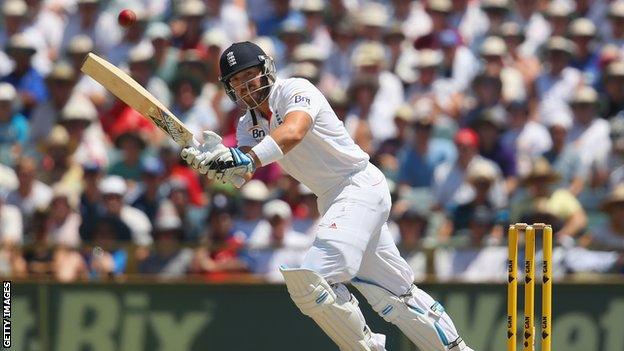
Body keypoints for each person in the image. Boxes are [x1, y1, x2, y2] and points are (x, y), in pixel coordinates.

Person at [181, 42, 473, 351]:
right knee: (395, 296)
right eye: (236, 82)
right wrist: (214, 161)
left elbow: (293, 131)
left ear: (266, 70)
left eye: (249, 75)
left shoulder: (294, 89)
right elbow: (240, 171)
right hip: (334, 199)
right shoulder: (247, 124)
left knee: (313, 282)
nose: (245, 86)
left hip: (357, 184)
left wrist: (244, 159)